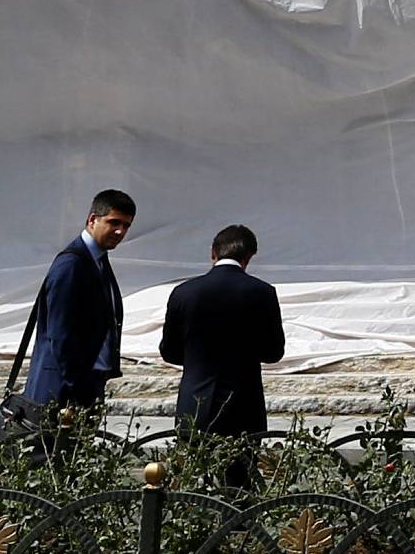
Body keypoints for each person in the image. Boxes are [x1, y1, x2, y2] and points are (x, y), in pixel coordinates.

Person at [160, 223, 285, 477]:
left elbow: (169, 351)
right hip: (243, 406)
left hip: (195, 403)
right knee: (239, 487)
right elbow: (273, 352)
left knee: (192, 486)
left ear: (212, 253)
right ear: (248, 257)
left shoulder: (184, 292)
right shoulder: (262, 292)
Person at [22, 188, 134, 414]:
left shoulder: (98, 261)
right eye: (114, 223)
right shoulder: (73, 264)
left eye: (126, 225)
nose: (120, 231)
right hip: (63, 389)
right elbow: (61, 334)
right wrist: (79, 387)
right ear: (93, 220)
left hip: (86, 383)